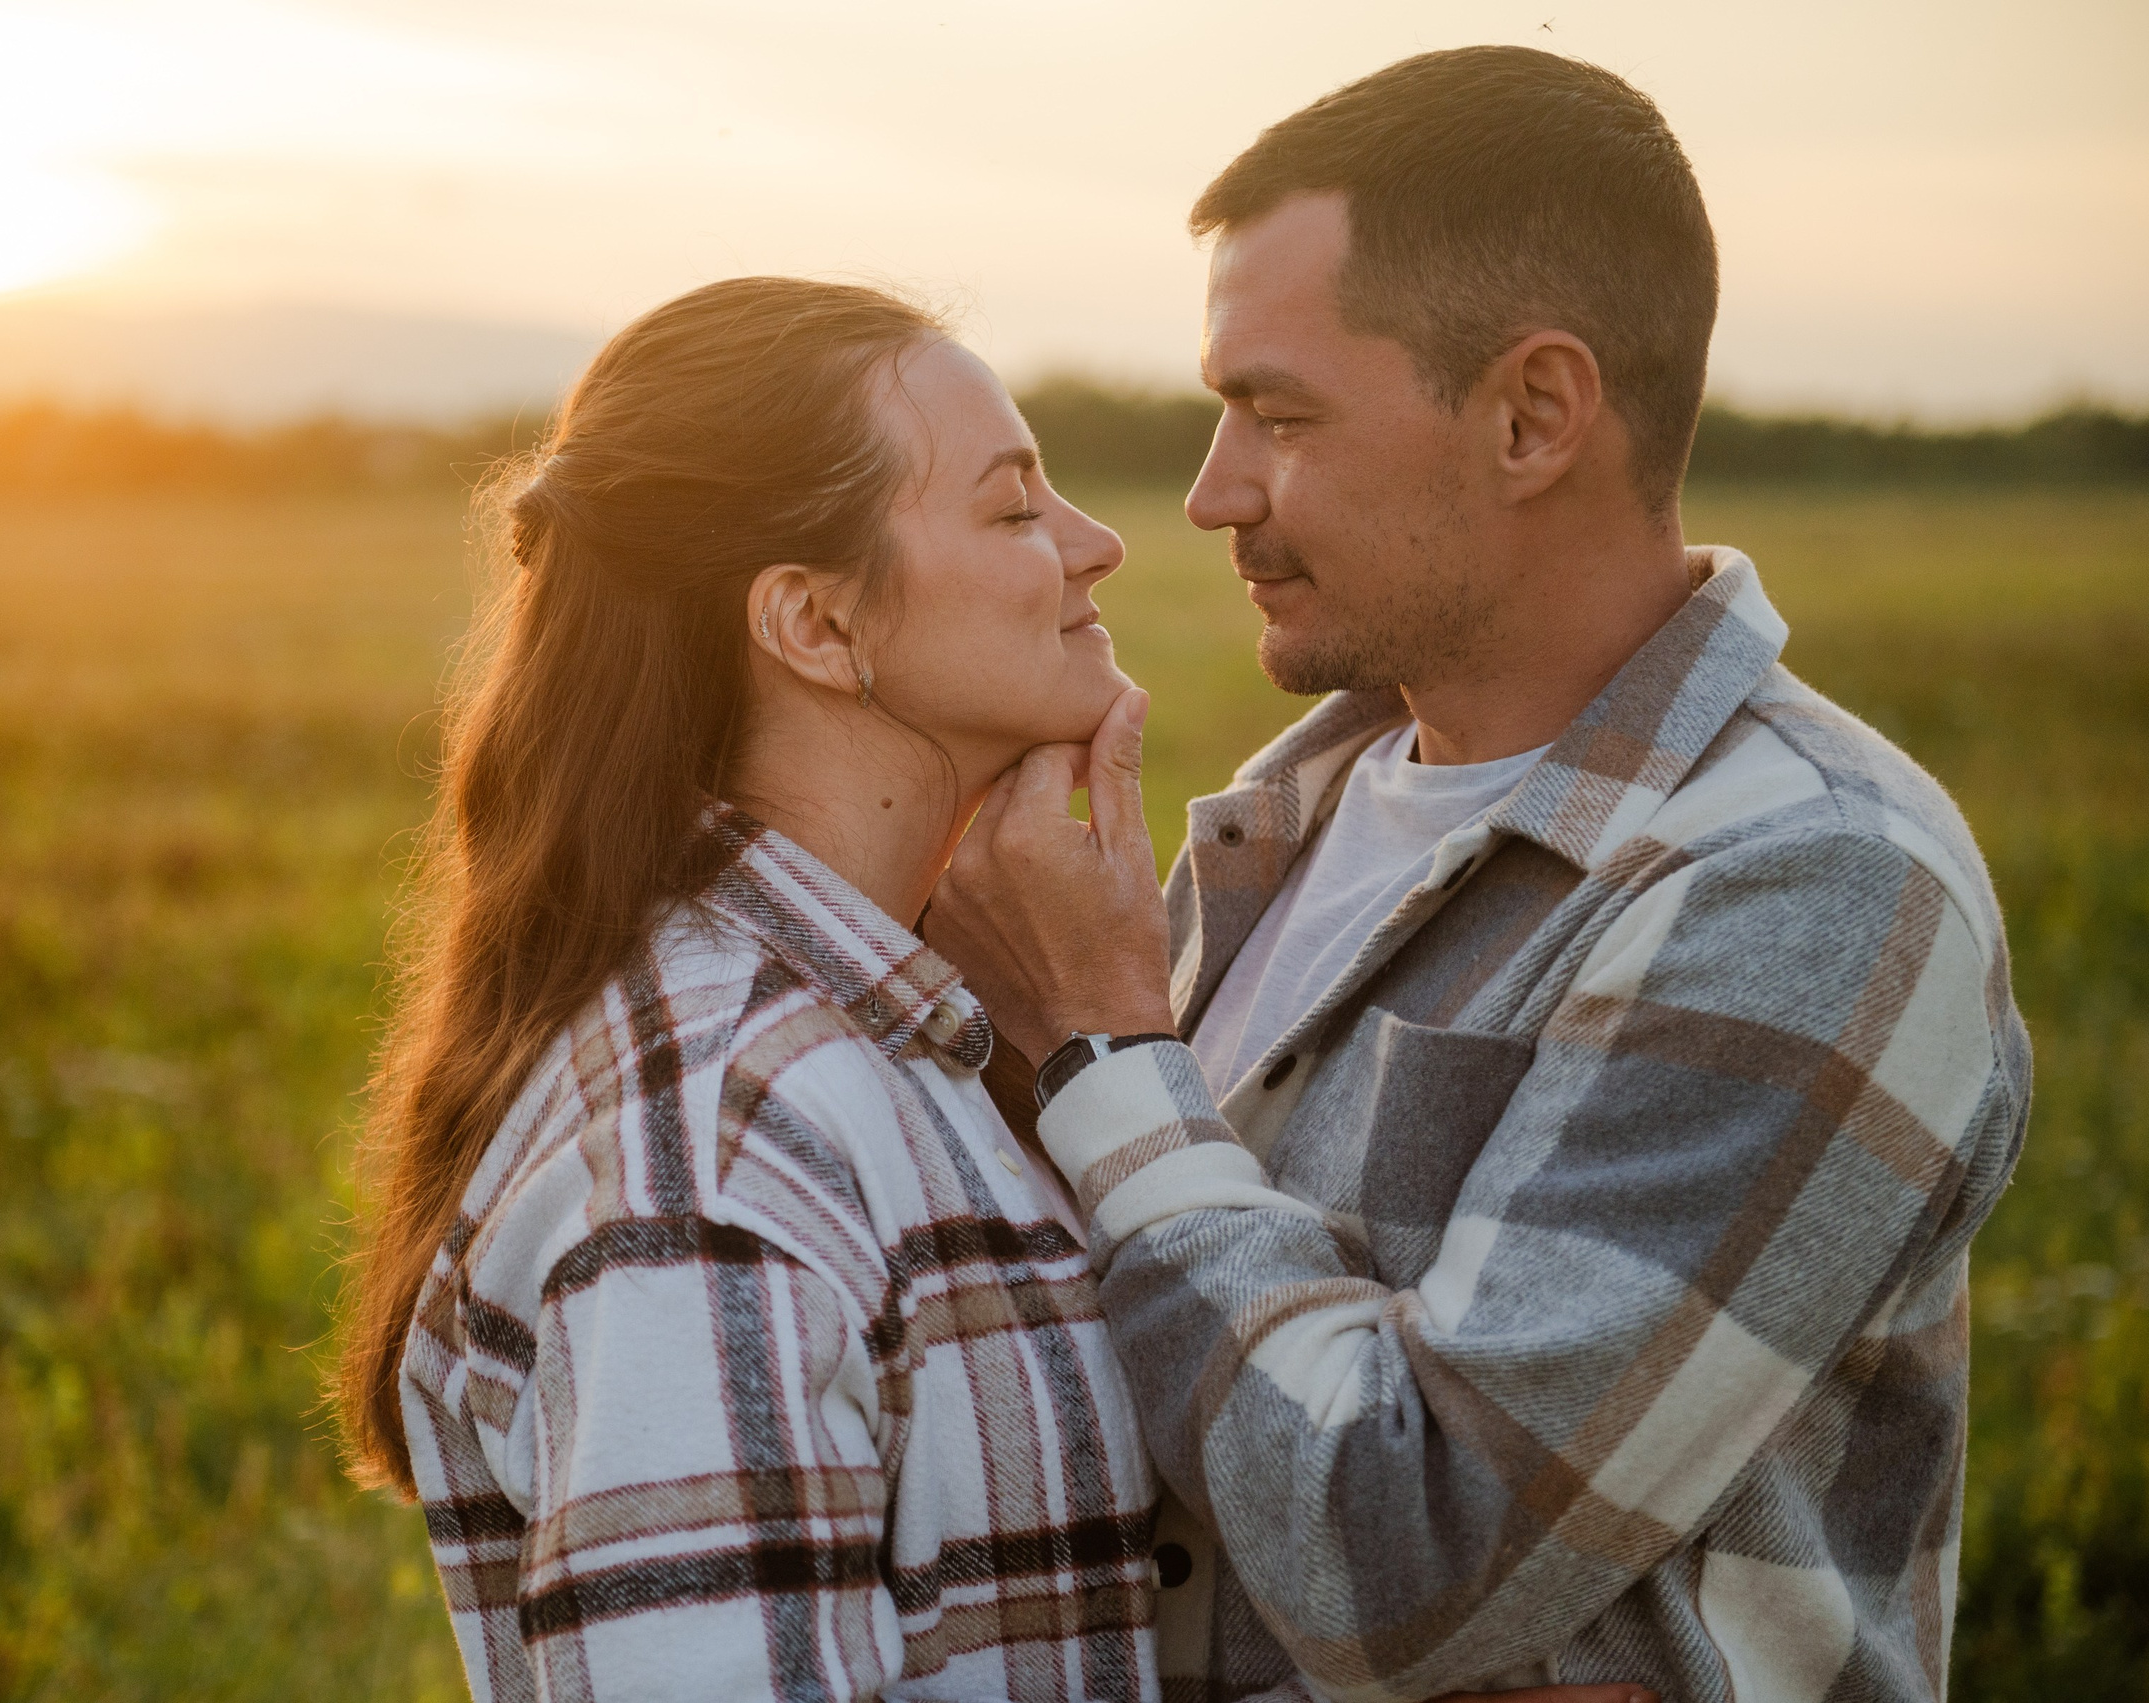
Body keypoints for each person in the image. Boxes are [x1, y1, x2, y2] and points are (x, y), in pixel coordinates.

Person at [335, 277, 1656, 1703]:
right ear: (816, 626)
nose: (1098, 546)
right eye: (1016, 510)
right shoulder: (712, 1167)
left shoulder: (886, 1042)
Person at [927, 46, 2031, 1703]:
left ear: (1533, 414)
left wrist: (1103, 1051)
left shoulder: (1813, 889)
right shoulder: (1292, 815)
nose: (1212, 492)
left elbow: (1405, 1567)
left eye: (1280, 414)